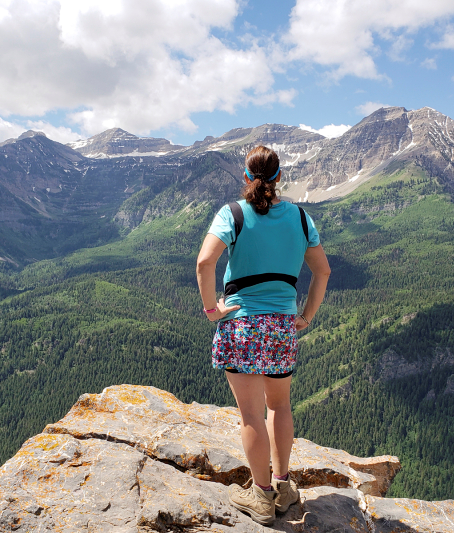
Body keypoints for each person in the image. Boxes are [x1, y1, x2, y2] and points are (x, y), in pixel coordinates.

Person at [196, 145, 331, 525]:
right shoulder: (302, 219)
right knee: (279, 406)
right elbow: (323, 272)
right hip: (282, 326)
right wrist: (305, 315)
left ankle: (260, 496)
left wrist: (212, 310)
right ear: (279, 178)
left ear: (245, 177)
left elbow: (206, 262)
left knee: (251, 414)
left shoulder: (233, 214)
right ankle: (284, 486)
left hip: (242, 325)